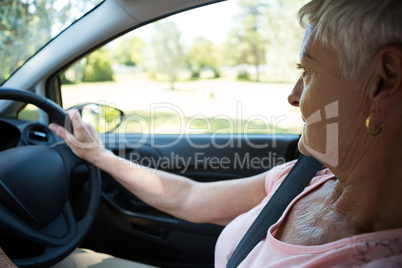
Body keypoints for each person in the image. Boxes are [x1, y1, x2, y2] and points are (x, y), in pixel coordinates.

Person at [2, 0, 402, 266]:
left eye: (309, 73)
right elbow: (190, 197)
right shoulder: (307, 178)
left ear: (384, 82)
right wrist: (98, 155)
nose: (293, 96)